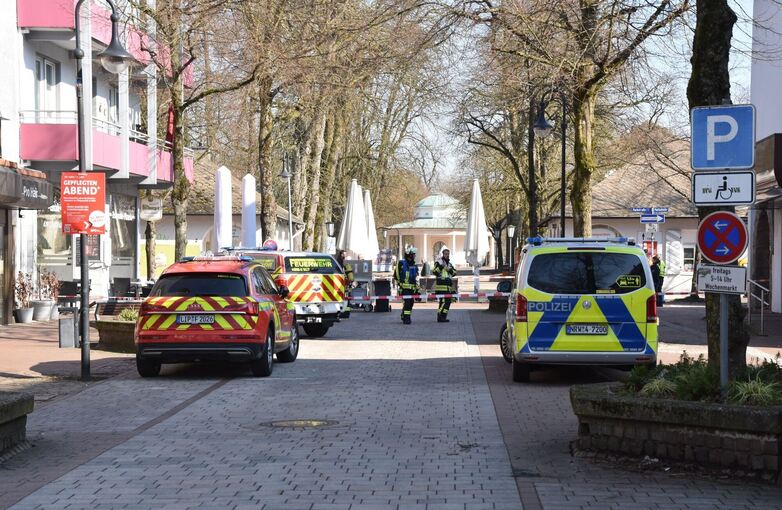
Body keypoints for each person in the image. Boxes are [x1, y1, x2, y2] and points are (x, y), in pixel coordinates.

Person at [394, 246, 419, 324]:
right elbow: (396, 275)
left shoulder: (414, 265)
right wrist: (400, 283)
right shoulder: (401, 263)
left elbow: (415, 278)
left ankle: (404, 315)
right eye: (413, 254)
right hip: (404, 288)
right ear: (409, 255)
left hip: (412, 288)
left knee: (411, 302)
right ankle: (406, 318)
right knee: (407, 302)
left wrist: (417, 290)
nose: (415, 256)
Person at [432, 248, 457, 323]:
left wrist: (449, 269)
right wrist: (441, 266)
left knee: (448, 302)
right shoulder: (438, 262)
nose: (447, 255)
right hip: (441, 286)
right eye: (446, 254)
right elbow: (434, 272)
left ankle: (444, 316)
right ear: (442, 254)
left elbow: (454, 273)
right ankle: (440, 316)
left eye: (448, 254)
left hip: (448, 287)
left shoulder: (449, 264)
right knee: (443, 302)